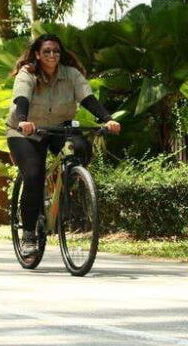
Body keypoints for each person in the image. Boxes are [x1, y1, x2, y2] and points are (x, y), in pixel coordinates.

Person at [6, 34, 120, 257]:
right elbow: (22, 98)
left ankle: (68, 185)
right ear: (37, 54)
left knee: (81, 147)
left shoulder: (71, 74)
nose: (52, 55)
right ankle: (28, 234)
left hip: (58, 128)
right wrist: (22, 121)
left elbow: (87, 99)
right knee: (34, 175)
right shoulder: (28, 73)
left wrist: (108, 119)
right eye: (46, 51)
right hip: (25, 131)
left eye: (56, 51)